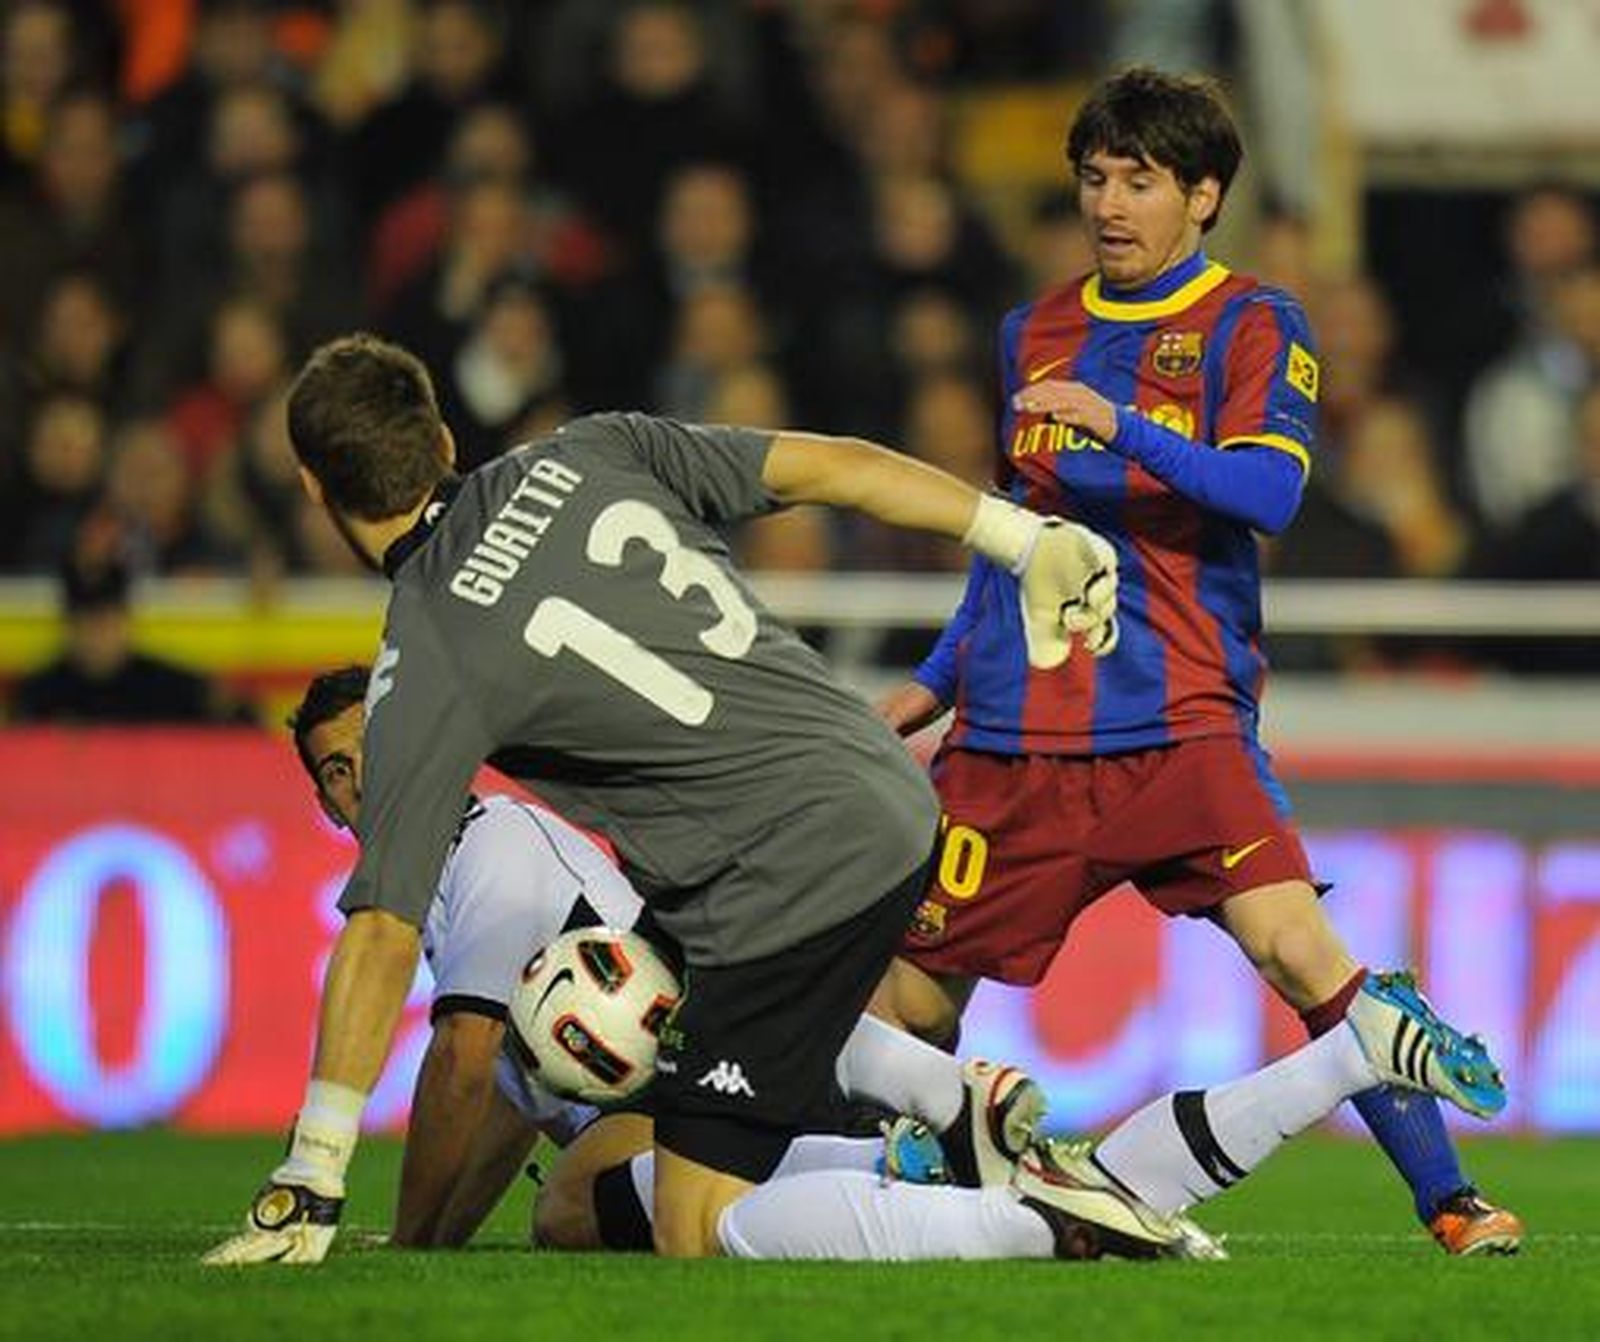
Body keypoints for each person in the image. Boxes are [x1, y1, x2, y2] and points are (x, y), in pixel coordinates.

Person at [203, 329, 1157, 1269]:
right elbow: (832, 467)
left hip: (777, 868)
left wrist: (315, 1167)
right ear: (443, 438)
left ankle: (1033, 1216)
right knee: (580, 1193)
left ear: (313, 486)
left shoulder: (423, 663)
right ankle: (955, 1112)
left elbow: (381, 929)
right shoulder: (588, 449)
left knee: (695, 1228)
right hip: (869, 783)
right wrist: (1021, 536)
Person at [873, 67, 1522, 1257]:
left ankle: (1450, 1197)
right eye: (1093, 179)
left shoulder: (1253, 322)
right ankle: (868, 1204)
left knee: (1300, 948)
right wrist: (930, 686)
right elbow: (1012, 536)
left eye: (1141, 181)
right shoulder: (1036, 327)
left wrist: (1121, 423)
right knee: (908, 999)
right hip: (1018, 732)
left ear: (1204, 194)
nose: (1110, 205)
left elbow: (1269, 490)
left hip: (1178, 718)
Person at [285, 665, 1504, 1260]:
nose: (355, 788)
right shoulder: (486, 846)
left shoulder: (488, 845)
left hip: (735, 1013)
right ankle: (1344, 1054)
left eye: (364, 758)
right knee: (575, 1210)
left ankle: (971, 1162)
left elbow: (468, 1055)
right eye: (331, 774)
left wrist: (398, 1249)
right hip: (752, 999)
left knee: (695, 1229)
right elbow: (499, 1085)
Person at [11, 553, 249, 724]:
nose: (97, 635)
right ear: (69, 627)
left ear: (125, 622)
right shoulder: (40, 694)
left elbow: (242, 722)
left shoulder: (168, 688)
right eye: (87, 622)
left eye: (106, 622)